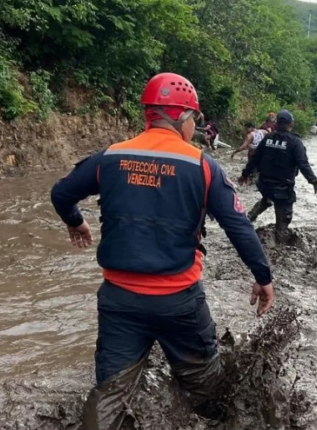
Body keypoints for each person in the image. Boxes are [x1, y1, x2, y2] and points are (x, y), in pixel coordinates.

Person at [50, 73, 274, 428]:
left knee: (109, 395)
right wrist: (263, 277)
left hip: (119, 301)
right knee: (207, 390)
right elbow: (238, 226)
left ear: (148, 115)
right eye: (194, 120)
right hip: (179, 302)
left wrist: (76, 222)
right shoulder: (202, 166)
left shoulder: (110, 158)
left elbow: (61, 193)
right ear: (184, 117)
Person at [239, 110, 317, 241]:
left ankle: (247, 220)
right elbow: (303, 164)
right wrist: (314, 181)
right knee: (282, 227)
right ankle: (280, 246)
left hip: (264, 184)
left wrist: (244, 175)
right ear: (291, 124)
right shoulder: (295, 142)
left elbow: (254, 158)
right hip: (283, 188)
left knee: (267, 198)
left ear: (276, 124)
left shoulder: (267, 138)